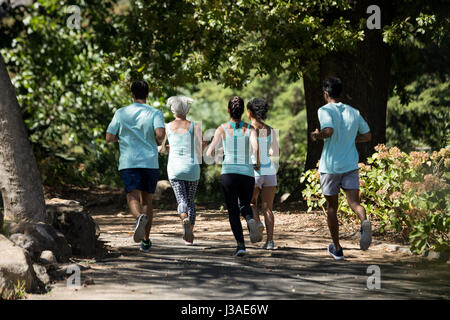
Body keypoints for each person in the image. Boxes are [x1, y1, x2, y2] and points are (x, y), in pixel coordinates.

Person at [310, 77, 372, 260]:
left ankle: (337, 248)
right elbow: (367, 135)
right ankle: (364, 221)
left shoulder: (324, 110)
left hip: (331, 167)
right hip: (350, 165)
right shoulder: (354, 112)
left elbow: (328, 131)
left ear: (326, 94)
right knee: (355, 203)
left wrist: (316, 135)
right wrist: (353, 139)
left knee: (332, 207)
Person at [106, 80, 165, 253]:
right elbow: (160, 136)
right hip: (149, 161)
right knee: (147, 200)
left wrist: (122, 138)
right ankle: (146, 241)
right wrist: (153, 139)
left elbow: (109, 137)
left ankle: (139, 217)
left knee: (132, 196)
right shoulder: (155, 113)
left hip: (129, 162)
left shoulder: (121, 112)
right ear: (147, 94)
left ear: (132, 94)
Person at [206, 96, 261, 257]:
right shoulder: (250, 129)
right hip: (246, 173)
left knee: (232, 211)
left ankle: (241, 245)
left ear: (228, 110)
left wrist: (219, 153)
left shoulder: (221, 129)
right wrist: (256, 163)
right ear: (243, 111)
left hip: (228, 173)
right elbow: (256, 149)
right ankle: (250, 218)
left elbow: (209, 153)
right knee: (245, 205)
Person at [159, 96, 202, 245]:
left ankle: (184, 219)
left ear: (173, 111)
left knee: (181, 199)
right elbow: (200, 147)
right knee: (190, 200)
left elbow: (161, 148)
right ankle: (189, 233)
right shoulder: (195, 126)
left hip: (175, 169)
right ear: (187, 110)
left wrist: (166, 149)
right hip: (192, 168)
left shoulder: (167, 126)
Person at [247, 98, 280, 250]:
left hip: (255, 170)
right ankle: (270, 242)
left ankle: (257, 221)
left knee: (251, 202)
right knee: (268, 208)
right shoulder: (270, 129)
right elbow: (276, 152)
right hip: (270, 171)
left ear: (249, 112)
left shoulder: (247, 129)